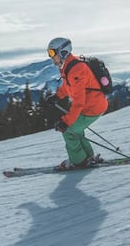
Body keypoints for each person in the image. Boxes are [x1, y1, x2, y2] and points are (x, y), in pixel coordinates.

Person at [45, 37, 109, 170]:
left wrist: (66, 122)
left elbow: (79, 103)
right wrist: (57, 96)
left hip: (92, 108)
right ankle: (87, 157)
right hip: (91, 106)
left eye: (52, 53)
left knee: (69, 131)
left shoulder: (76, 70)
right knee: (77, 130)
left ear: (62, 52)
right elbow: (68, 86)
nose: (51, 57)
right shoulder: (69, 66)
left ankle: (79, 161)